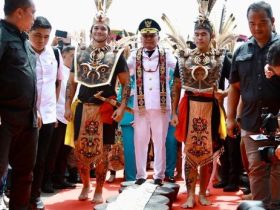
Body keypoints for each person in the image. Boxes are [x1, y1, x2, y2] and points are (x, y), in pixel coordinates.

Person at [64, 2, 130, 203]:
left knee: (104, 151)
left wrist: (121, 107)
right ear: (91, 30)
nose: (99, 30)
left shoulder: (116, 56)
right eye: (96, 27)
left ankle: (99, 189)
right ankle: (85, 185)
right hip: (82, 107)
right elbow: (71, 83)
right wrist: (67, 105)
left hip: (106, 108)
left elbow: (126, 84)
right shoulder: (80, 53)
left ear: (109, 33)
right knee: (80, 149)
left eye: (103, 28)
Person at [171, 2, 231, 207]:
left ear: (211, 36)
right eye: (197, 34)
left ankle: (203, 192)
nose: (199, 38)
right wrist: (173, 112)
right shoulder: (185, 58)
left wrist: (224, 93)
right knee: (189, 153)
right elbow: (176, 86)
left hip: (211, 109)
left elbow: (236, 83)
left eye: (203, 34)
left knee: (207, 153)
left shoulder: (220, 58)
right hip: (189, 107)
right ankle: (189, 195)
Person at [227, 1, 280, 209]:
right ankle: (260, 207)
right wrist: (230, 117)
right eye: (252, 23)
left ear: (272, 21)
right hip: (251, 122)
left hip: (277, 124)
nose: (257, 27)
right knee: (256, 168)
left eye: (262, 22)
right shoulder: (240, 51)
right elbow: (234, 88)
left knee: (277, 168)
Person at [127, 18, 177, 186]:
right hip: (140, 106)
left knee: (159, 141)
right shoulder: (135, 55)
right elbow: (124, 73)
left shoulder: (166, 53)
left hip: (161, 105)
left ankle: (158, 175)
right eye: (145, 36)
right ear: (141, 37)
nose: (148, 39)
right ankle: (140, 175)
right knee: (140, 140)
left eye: (152, 36)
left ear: (158, 37)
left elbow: (179, 71)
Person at [0, 0, 37, 209]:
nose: (34, 18)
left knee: (24, 173)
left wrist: (36, 110)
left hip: (28, 119)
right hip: (4, 118)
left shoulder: (24, 40)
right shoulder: (2, 36)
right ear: (20, 12)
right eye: (32, 13)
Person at [28, 16, 63, 210]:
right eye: (37, 35)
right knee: (23, 160)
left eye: (46, 36)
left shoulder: (55, 53)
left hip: (48, 116)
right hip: (25, 116)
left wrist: (54, 108)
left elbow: (58, 82)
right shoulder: (21, 51)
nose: (41, 40)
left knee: (41, 159)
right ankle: (16, 194)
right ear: (29, 33)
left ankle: (34, 197)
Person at [43, 46, 76, 190]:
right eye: (71, 56)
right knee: (52, 151)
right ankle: (46, 181)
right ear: (63, 56)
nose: (74, 59)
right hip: (56, 115)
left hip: (69, 117)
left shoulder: (74, 73)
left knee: (65, 150)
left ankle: (59, 177)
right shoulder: (58, 69)